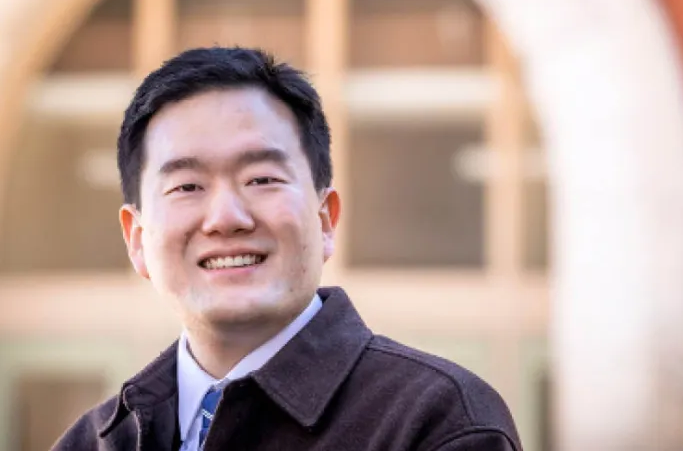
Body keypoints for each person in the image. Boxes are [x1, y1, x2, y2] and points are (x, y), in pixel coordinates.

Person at [51, 46, 522, 451]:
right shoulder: (91, 442)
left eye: (261, 179)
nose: (226, 218)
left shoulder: (438, 422)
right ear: (137, 239)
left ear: (325, 219)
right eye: (187, 186)